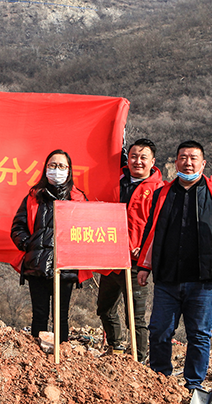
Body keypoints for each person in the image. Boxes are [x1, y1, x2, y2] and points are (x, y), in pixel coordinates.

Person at [136, 140, 212, 390]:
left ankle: (194, 385)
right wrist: (144, 266)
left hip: (204, 278)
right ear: (175, 162)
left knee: (199, 335)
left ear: (203, 163)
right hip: (167, 277)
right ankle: (159, 380)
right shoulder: (163, 193)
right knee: (159, 331)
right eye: (183, 157)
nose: (187, 162)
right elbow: (151, 231)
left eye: (193, 158)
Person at [96, 138, 165, 361]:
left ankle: (139, 358)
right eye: (133, 156)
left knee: (135, 316)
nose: (137, 161)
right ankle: (115, 347)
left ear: (152, 161)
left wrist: (145, 251)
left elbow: (158, 227)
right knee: (105, 308)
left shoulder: (159, 190)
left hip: (136, 263)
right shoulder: (115, 179)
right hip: (110, 257)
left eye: (143, 157)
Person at [11, 149, 88, 343]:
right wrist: (28, 245)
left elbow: (87, 230)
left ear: (69, 171)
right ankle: (38, 355)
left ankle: (60, 354)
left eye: (62, 166)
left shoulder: (78, 199)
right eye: (52, 165)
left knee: (61, 316)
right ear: (46, 169)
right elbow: (18, 226)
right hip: (37, 264)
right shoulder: (33, 196)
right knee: (39, 314)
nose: (57, 170)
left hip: (66, 265)